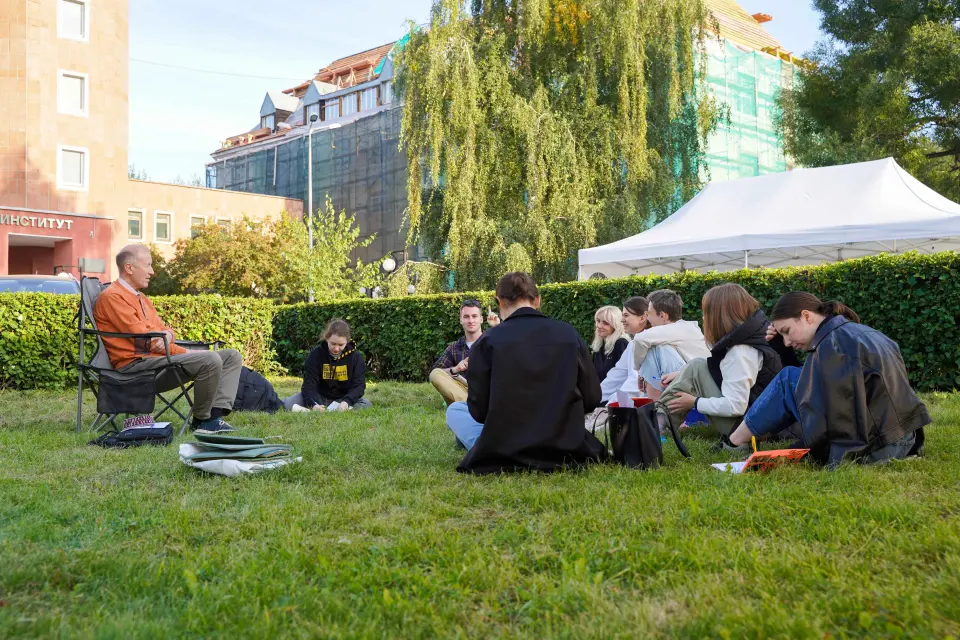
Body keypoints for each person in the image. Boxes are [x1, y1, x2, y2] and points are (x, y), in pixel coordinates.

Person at [726, 292, 929, 466]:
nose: (786, 341)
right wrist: (782, 347)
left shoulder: (834, 347)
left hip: (879, 448)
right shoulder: (854, 333)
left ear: (806, 316)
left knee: (787, 379)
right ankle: (736, 440)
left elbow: (838, 424)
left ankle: (733, 442)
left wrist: (789, 453)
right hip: (903, 438)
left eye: (787, 331)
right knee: (792, 377)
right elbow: (810, 381)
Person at [446, 272, 607, 474]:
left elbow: (479, 412)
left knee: (456, 410)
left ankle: (484, 446)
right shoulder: (568, 334)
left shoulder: (487, 341)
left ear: (500, 302)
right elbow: (592, 398)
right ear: (537, 300)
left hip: (505, 447)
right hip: (565, 443)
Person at [94, 244, 242, 434]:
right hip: (134, 369)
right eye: (148, 265)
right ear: (129, 268)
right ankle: (202, 420)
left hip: (156, 363)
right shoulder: (113, 297)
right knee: (210, 358)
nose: (152, 271)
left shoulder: (141, 298)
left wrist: (169, 335)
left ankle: (214, 416)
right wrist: (184, 351)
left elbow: (163, 332)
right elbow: (147, 342)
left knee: (231, 356)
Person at [657, 283, 795, 439]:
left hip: (750, 432)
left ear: (719, 316)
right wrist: (683, 375)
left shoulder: (741, 351)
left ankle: (656, 425)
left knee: (696, 367)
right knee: (697, 365)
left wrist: (694, 402)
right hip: (762, 423)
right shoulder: (753, 335)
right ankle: (658, 423)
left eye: (706, 313)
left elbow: (735, 406)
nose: (703, 318)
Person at [632, 289, 711, 401]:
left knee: (655, 347)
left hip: (699, 385)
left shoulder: (679, 329)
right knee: (655, 346)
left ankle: (657, 403)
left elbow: (640, 339)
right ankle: (657, 402)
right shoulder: (682, 328)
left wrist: (638, 369)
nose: (647, 318)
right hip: (695, 381)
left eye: (649, 313)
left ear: (662, 315)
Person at [282, 318, 372, 412]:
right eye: (333, 343)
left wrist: (346, 402)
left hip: (343, 399)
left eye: (341, 345)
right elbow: (309, 384)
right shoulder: (316, 354)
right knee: (287, 404)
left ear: (347, 342)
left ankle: (340, 409)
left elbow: (359, 386)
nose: (336, 349)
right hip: (318, 397)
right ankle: (315, 410)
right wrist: (313, 404)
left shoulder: (356, 357)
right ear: (327, 338)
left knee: (366, 404)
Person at [428, 300, 500, 406]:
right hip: (465, 391)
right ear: (461, 320)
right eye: (466, 317)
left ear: (481, 319)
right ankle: (471, 406)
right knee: (435, 374)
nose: (471, 320)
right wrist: (456, 369)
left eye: (474, 316)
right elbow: (435, 373)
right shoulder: (454, 347)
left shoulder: (493, 341)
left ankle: (470, 407)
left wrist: (497, 327)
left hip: (489, 391)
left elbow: (512, 357)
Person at [598, 297, 650, 405]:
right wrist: (594, 398)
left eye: (626, 315)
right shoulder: (633, 344)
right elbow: (616, 376)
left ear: (642, 318)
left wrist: (608, 407)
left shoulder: (648, 344)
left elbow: (635, 384)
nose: (622, 320)